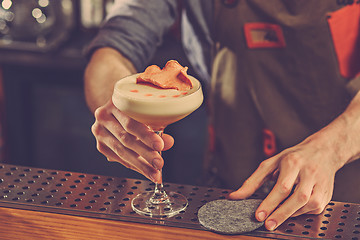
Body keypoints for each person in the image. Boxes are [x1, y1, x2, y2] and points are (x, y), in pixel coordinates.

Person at [84, 0, 360, 231]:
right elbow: (114, 46)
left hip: (342, 198)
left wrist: (332, 147)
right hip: (229, 183)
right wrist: (120, 111)